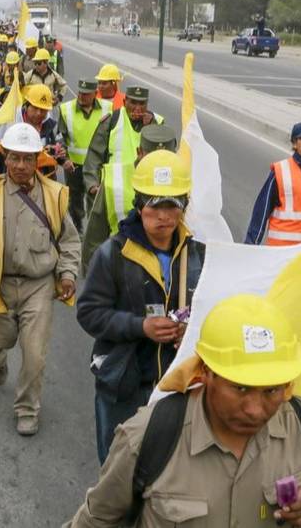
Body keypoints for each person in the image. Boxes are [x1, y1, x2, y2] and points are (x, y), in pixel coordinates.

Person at [65, 294, 301, 528]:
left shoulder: (298, 427)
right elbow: (97, 520)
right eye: (240, 388)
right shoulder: (147, 437)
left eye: (271, 391)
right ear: (206, 372)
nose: (255, 410)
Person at [0, 123, 80, 436]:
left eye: (28, 158)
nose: (21, 165)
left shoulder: (54, 196)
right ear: (5, 158)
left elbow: (70, 240)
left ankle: (27, 409)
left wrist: (67, 274)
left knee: (34, 355)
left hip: (38, 285)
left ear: (37, 160)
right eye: (15, 158)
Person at [76, 150, 204, 463]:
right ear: (139, 204)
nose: (164, 216)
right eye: (155, 205)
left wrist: (190, 331)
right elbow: (89, 312)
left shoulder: (197, 256)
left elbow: (211, 311)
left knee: (167, 470)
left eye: (173, 205)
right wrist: (140, 326)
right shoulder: (113, 254)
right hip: (124, 384)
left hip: (177, 387)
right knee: (118, 467)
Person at [82, 125, 177, 269]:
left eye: (164, 159)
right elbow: (94, 241)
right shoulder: (114, 179)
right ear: (139, 152)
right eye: (151, 158)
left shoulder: (184, 185)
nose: (157, 166)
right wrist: (93, 277)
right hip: (122, 271)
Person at [83, 86, 165, 216]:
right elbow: (94, 155)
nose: (137, 108)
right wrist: (92, 185)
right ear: (124, 101)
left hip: (146, 195)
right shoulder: (111, 121)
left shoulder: (157, 123)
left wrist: (152, 126)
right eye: (133, 102)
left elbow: (166, 158)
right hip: (114, 194)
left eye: (142, 104)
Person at [57, 80, 111, 229]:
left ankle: (94, 232)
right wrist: (64, 160)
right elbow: (60, 138)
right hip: (74, 167)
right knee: (75, 202)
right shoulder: (66, 110)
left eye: (86, 94)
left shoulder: (108, 108)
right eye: (80, 92)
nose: (82, 96)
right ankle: (77, 231)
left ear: (95, 94)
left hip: (97, 167)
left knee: (96, 201)